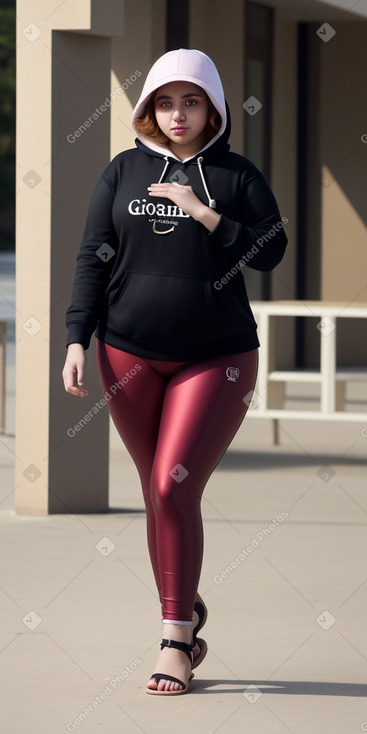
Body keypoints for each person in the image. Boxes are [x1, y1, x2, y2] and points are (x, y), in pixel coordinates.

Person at [62, 48, 287, 696]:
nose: (178, 113)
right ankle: (182, 609)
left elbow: (270, 249)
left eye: (191, 101)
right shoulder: (124, 170)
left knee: (170, 484)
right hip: (125, 352)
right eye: (165, 101)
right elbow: (91, 259)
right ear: (148, 109)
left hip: (214, 357)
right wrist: (77, 338)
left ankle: (174, 641)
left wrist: (204, 210)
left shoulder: (235, 175)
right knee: (158, 492)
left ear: (212, 107)